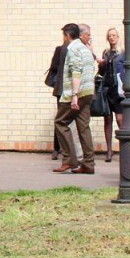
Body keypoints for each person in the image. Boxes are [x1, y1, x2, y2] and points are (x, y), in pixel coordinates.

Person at [52, 23, 96, 175]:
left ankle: (69, 160)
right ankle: (88, 163)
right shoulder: (85, 48)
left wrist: (74, 95)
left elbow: (76, 71)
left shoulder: (73, 49)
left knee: (60, 122)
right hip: (88, 91)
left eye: (64, 35)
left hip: (77, 92)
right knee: (83, 127)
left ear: (68, 35)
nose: (63, 39)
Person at [45, 28, 73, 163]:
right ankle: (58, 148)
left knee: (66, 119)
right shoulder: (61, 49)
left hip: (70, 88)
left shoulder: (76, 49)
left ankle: (64, 148)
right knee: (62, 118)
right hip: (64, 89)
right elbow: (54, 67)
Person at [98, 27, 125, 162]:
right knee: (107, 119)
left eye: (114, 35)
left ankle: (124, 148)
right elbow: (102, 72)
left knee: (120, 119)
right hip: (107, 88)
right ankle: (109, 150)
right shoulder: (106, 52)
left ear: (118, 37)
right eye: (110, 36)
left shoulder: (122, 52)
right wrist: (101, 64)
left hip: (118, 90)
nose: (112, 38)